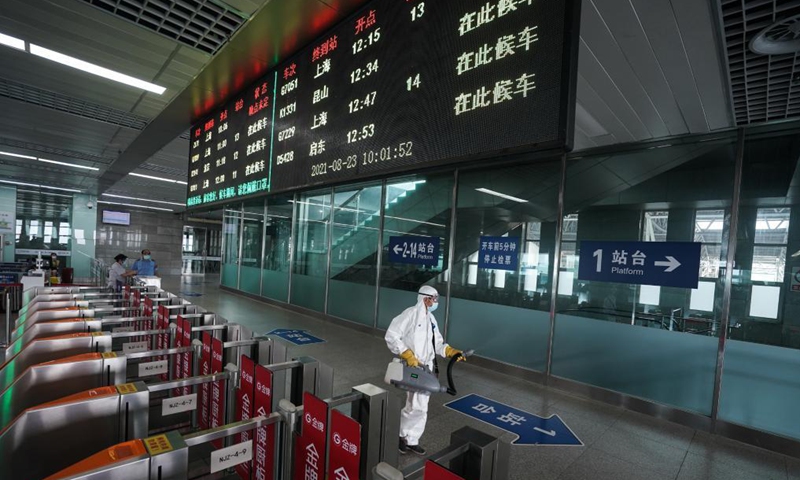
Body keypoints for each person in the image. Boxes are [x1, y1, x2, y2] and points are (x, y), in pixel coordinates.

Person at [385, 285, 465, 455]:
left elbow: (437, 343)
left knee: (421, 405)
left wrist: (450, 351)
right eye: (433, 298)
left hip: (426, 368)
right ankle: (401, 435)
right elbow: (391, 335)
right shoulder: (410, 314)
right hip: (413, 366)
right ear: (425, 298)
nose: (435, 302)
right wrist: (407, 354)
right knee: (416, 405)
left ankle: (411, 439)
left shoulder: (431, 319)